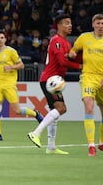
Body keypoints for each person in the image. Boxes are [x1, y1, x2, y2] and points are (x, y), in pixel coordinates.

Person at [27, 14, 82, 154]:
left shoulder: (67, 43)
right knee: (61, 108)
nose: (70, 25)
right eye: (66, 23)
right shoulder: (56, 40)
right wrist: (80, 67)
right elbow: (63, 62)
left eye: (70, 23)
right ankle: (36, 133)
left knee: (56, 111)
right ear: (59, 25)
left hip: (54, 80)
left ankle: (51, 146)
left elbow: (69, 59)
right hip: (50, 80)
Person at [0, 29, 44, 141]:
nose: (0, 40)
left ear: (5, 39)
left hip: (9, 85)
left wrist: (11, 67)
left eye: (2, 38)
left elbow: (21, 65)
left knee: (17, 111)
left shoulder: (11, 51)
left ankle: (36, 114)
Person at [68, 13, 103, 156]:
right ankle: (91, 145)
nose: (101, 26)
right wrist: (71, 54)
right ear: (93, 24)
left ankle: (101, 142)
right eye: (98, 23)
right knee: (89, 108)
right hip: (88, 77)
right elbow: (73, 50)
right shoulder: (84, 37)